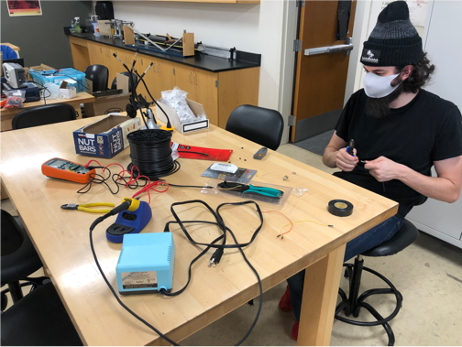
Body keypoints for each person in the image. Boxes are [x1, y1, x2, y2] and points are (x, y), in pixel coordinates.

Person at [279, 1, 462, 340]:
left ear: (406, 71)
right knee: (287, 231)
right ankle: (300, 282)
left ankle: (308, 317)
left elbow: (451, 190)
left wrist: (401, 173)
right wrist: (338, 160)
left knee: (315, 256)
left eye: (379, 74)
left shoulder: (443, 116)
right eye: (366, 70)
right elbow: (329, 154)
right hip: (343, 189)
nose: (369, 80)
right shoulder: (360, 101)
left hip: (387, 207)